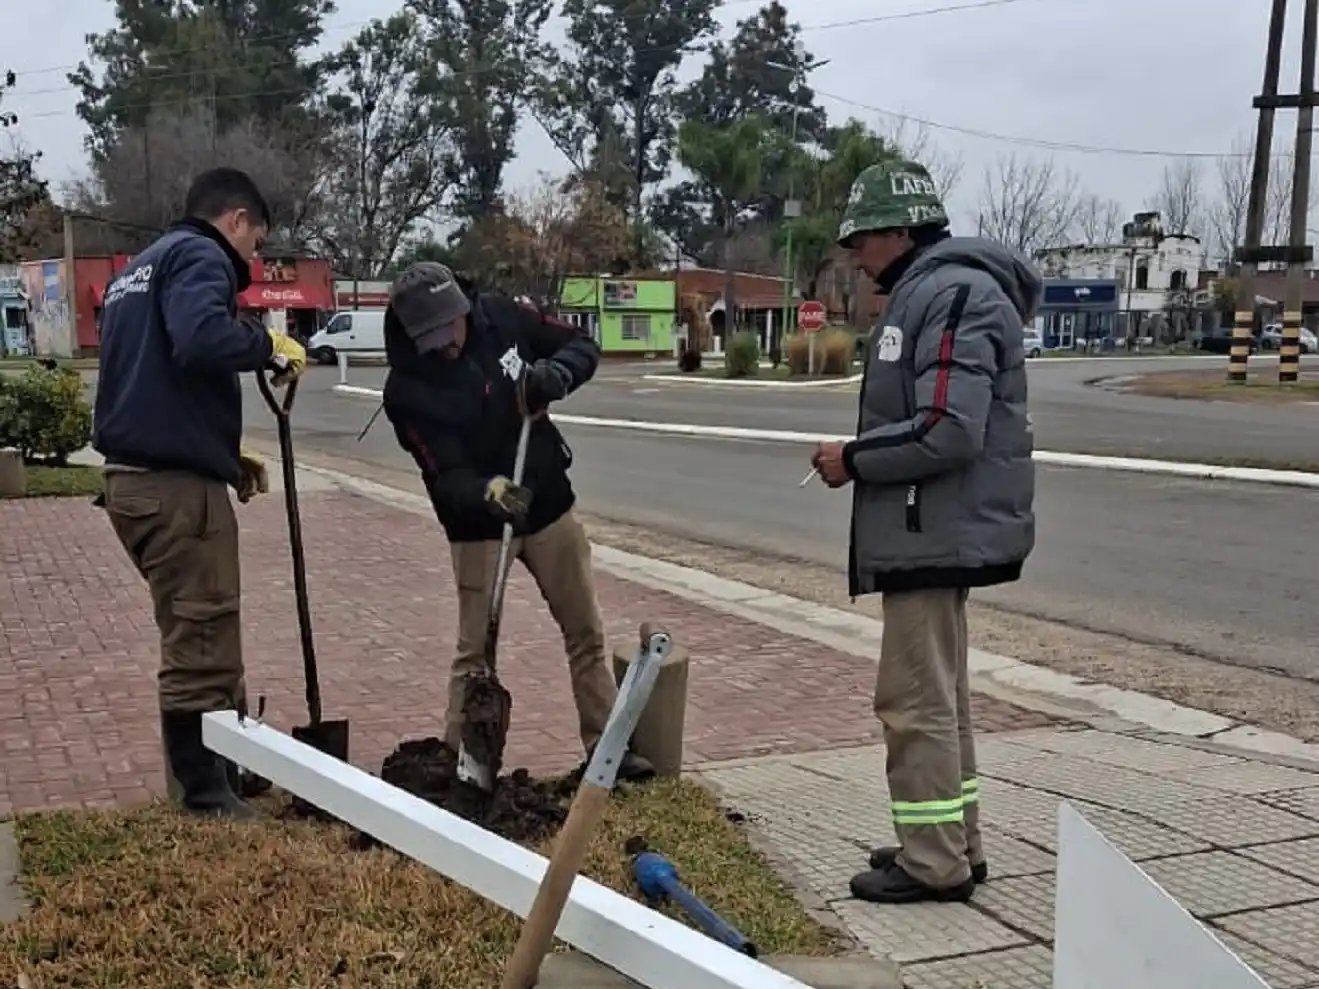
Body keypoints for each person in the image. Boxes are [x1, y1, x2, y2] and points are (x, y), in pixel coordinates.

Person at [810, 158, 1038, 904]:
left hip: (931, 531)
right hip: (932, 529)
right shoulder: (937, 290)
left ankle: (933, 862)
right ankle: (951, 844)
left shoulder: (950, 293)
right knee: (940, 697)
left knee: (912, 700)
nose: (855, 257)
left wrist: (852, 458)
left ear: (901, 232)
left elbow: (947, 428)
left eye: (862, 240)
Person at [380, 262, 652, 781]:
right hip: (479, 527)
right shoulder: (407, 391)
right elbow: (443, 475)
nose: (445, 347)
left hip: (548, 503)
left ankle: (607, 753)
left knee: (585, 632)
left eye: (448, 331)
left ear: (461, 310)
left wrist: (559, 373)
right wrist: (486, 492)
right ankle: (463, 768)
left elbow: (580, 344)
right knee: (475, 654)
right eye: (430, 339)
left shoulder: (504, 318)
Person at [93, 167, 308, 818]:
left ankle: (224, 768)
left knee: (202, 626)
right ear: (236, 220)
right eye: (256, 242)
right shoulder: (199, 255)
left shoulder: (141, 267)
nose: (254, 258)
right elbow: (200, 337)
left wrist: (218, 453)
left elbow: (152, 373)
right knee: (202, 635)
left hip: (137, 478)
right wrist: (266, 344)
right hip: (174, 491)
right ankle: (204, 794)